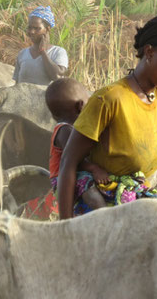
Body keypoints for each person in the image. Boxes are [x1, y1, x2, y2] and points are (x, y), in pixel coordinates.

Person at [57, 14, 157, 219]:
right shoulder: (109, 99)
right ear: (150, 52)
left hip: (134, 196)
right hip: (100, 201)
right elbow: (68, 162)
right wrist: (66, 227)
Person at [45, 78, 107, 215]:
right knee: (87, 183)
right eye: (88, 101)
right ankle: (105, 214)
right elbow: (72, 159)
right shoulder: (65, 130)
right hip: (62, 177)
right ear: (80, 106)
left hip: (72, 173)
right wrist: (94, 168)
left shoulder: (71, 129)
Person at [13, 6, 68, 85]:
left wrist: (43, 52)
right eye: (29, 27)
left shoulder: (58, 52)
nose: (32, 32)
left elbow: (57, 76)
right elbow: (17, 84)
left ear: (47, 29)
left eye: (37, 28)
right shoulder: (22, 54)